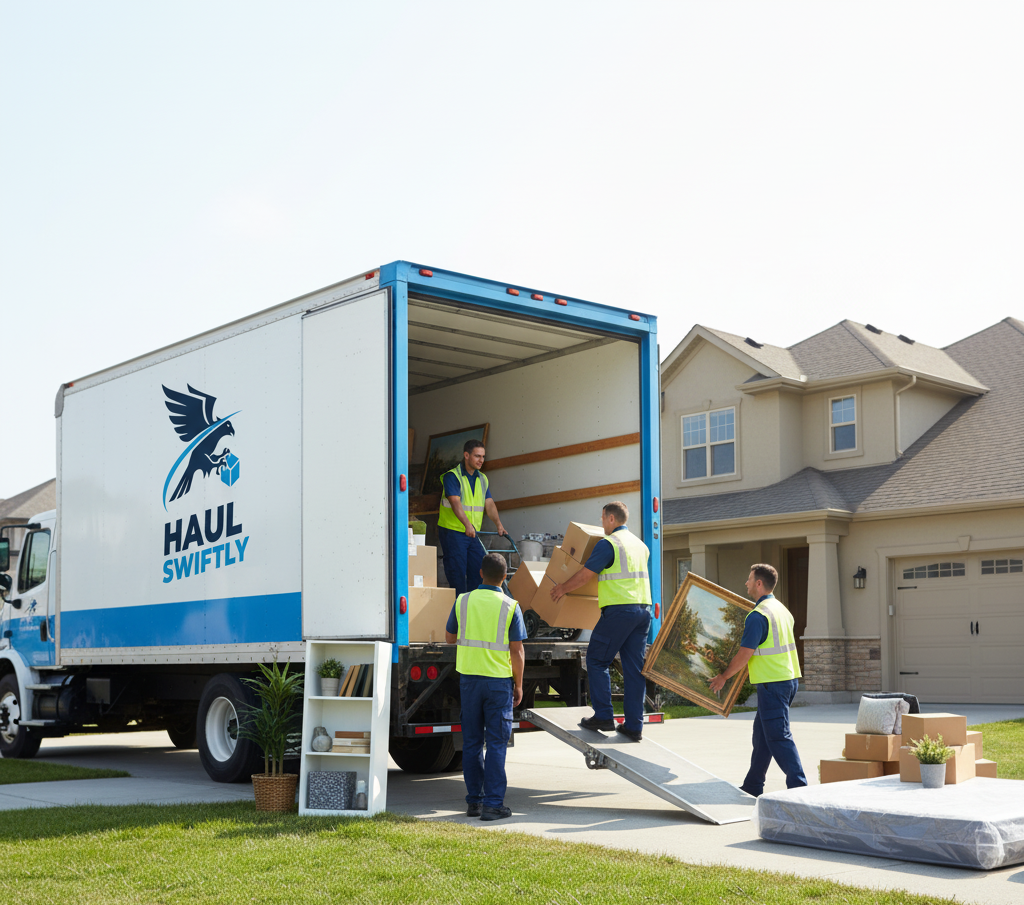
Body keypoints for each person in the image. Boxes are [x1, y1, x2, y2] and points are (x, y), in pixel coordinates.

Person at [549, 500, 651, 742]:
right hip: (642, 612)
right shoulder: (641, 545)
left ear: (611, 518)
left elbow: (586, 574)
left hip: (619, 612)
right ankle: (634, 726)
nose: (601, 522)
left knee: (596, 659)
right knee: (635, 670)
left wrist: (562, 588)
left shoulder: (609, 545)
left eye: (603, 518)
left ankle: (604, 715)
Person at [709, 563, 807, 796]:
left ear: (759, 584)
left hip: (773, 683)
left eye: (749, 579)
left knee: (778, 736)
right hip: (787, 679)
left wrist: (724, 677)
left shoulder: (758, 616)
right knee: (763, 736)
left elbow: (745, 653)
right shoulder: (781, 609)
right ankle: (753, 786)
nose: (746, 583)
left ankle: (799, 787)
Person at [445, 552, 526, 821]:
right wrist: (519, 685)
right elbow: (517, 651)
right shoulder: (511, 606)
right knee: (496, 744)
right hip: (498, 684)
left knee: (471, 744)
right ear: (505, 578)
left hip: (469, 681)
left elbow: (449, 638)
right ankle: (493, 805)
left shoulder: (462, 601)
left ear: (480, 573)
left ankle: (474, 803)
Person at [437, 439, 507, 596]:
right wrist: (468, 525)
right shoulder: (452, 477)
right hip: (453, 532)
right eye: (477, 456)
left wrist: (499, 524)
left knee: (479, 573)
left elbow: (489, 504)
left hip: (472, 534)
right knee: (457, 576)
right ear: (466, 455)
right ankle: (458, 614)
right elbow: (455, 503)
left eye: (483, 456)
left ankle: (473, 609)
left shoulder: (483, 479)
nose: (481, 460)